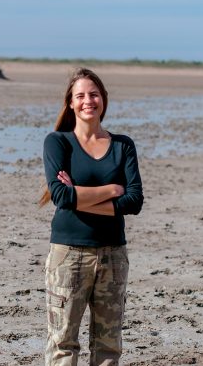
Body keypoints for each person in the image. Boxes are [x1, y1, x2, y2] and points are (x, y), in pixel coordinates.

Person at [40, 67, 144, 365]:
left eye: (94, 94)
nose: (89, 100)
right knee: (62, 343)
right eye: (81, 95)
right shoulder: (57, 142)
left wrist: (80, 196)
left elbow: (134, 201)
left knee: (109, 345)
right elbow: (61, 197)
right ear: (70, 103)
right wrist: (112, 189)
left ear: (104, 100)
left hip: (113, 254)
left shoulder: (123, 145)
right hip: (69, 256)